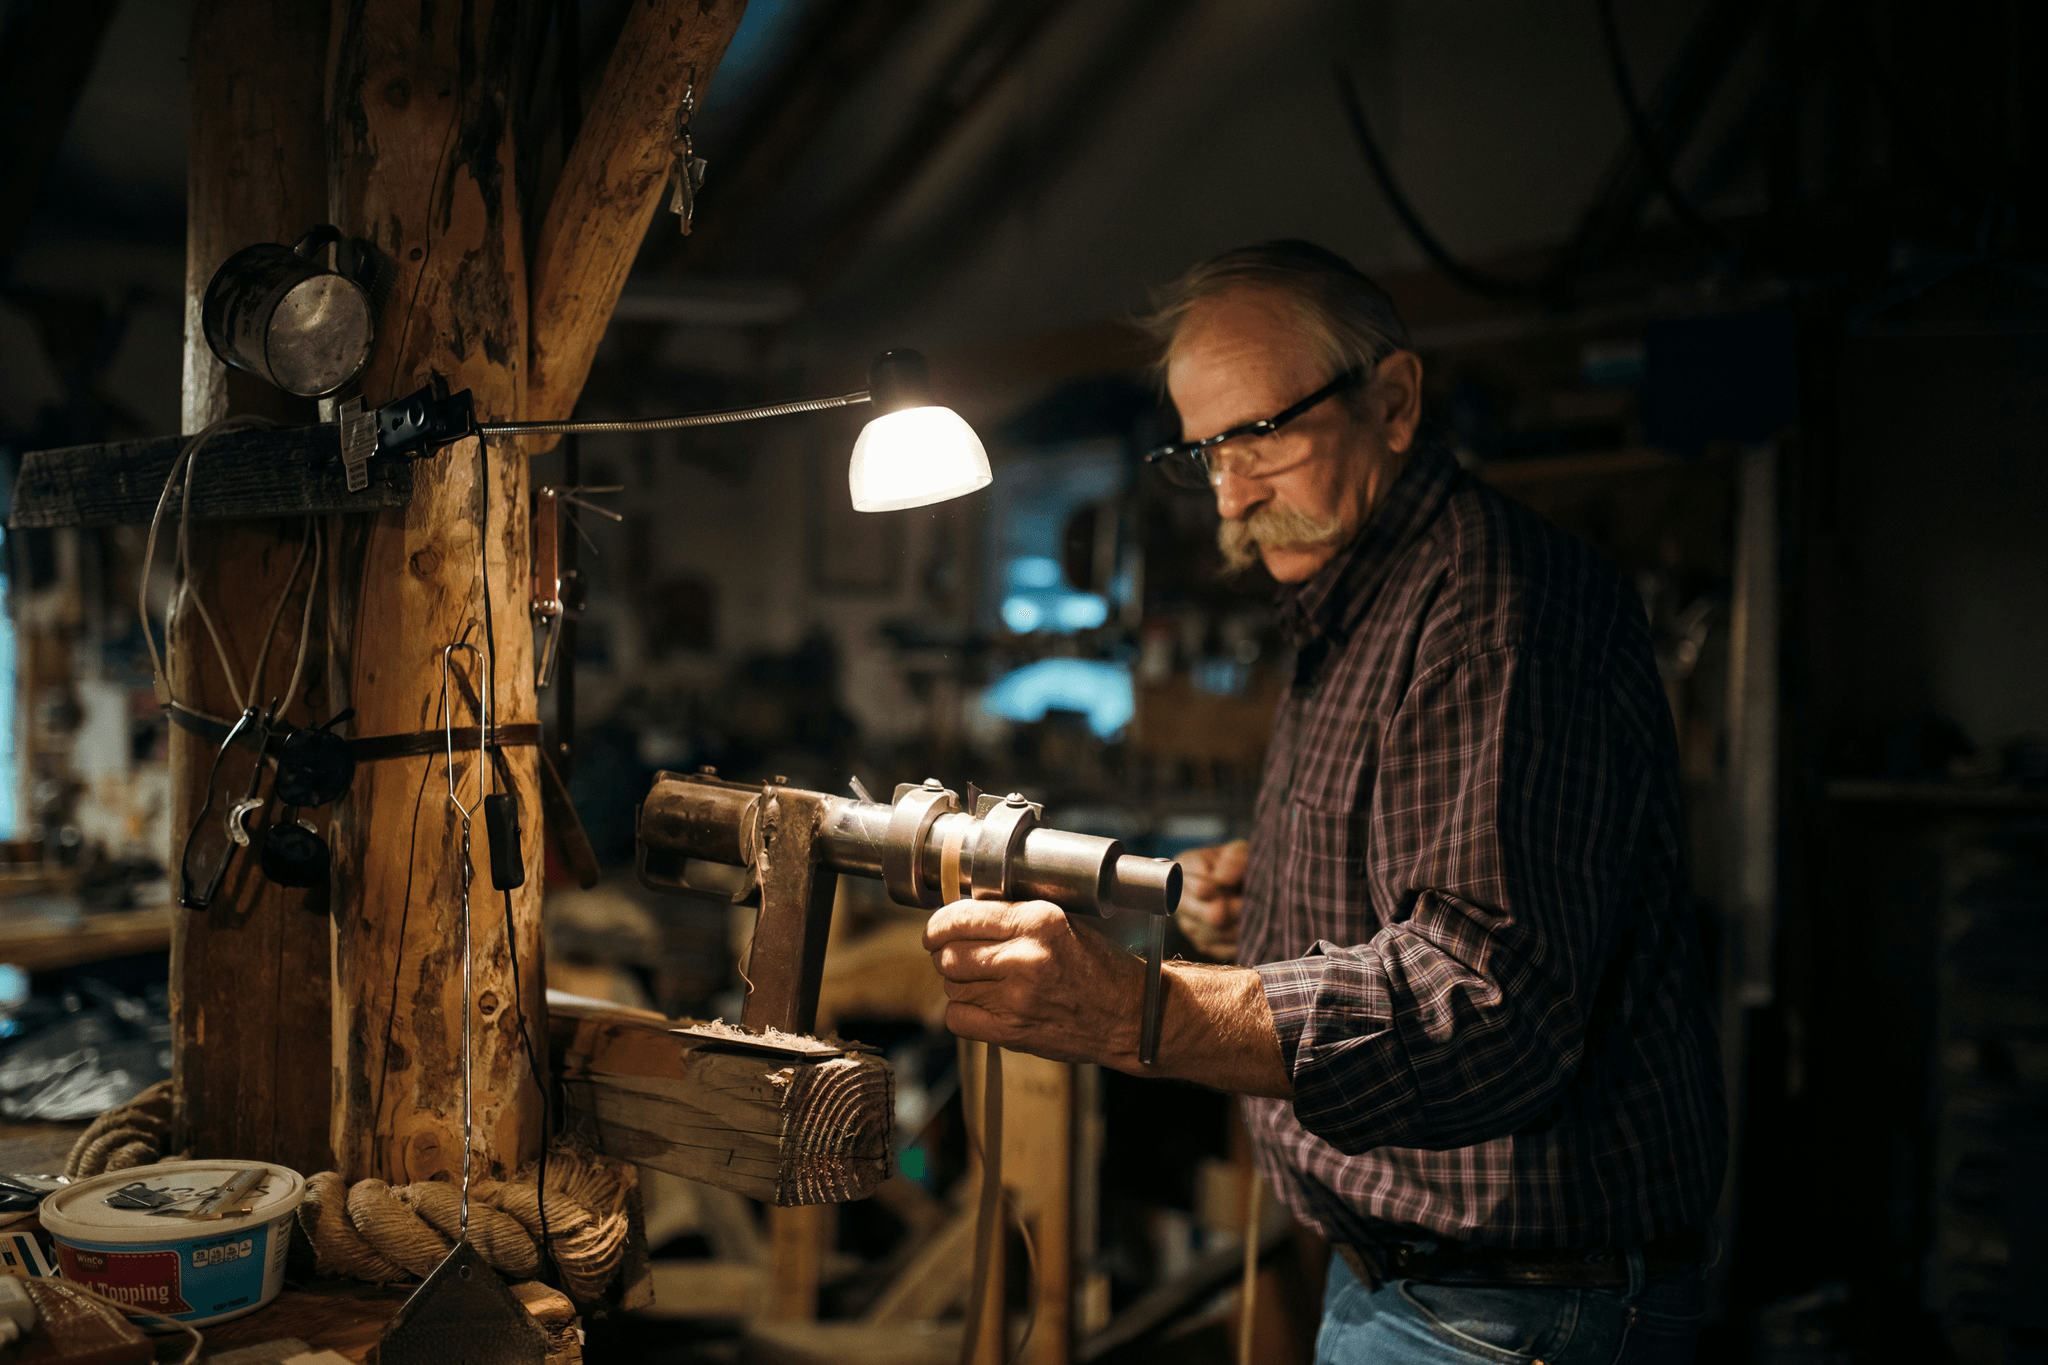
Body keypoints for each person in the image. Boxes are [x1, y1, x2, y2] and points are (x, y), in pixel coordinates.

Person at [923, 240, 1727, 1363]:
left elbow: (1485, 1006)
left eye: (1261, 435)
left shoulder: (1489, 614)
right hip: (1415, 1290)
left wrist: (1133, 1010)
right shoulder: (1360, 601)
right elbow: (1425, 879)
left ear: (1391, 402)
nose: (1231, 493)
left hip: (1513, 1312)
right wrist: (1260, 900)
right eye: (1203, 453)